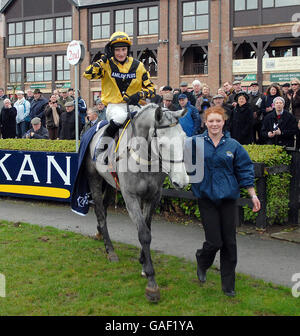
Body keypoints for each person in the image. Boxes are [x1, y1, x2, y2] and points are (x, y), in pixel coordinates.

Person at [190, 105, 261, 297]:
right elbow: (179, 162)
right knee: (214, 242)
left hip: (228, 199)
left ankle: (228, 285)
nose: (214, 124)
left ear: (224, 122)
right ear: (205, 122)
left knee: (229, 243)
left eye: (218, 121)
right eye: (211, 121)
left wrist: (253, 195)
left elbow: (245, 171)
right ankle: (202, 260)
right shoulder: (194, 143)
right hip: (206, 199)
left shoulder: (234, 146)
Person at [83, 31, 155, 155]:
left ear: (128, 50)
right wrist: (104, 58)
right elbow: (88, 74)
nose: (121, 53)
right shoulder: (106, 64)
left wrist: (140, 95)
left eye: (123, 49)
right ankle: (102, 145)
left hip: (134, 106)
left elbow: (152, 90)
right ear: (112, 50)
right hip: (115, 107)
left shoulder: (138, 66)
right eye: (117, 50)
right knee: (122, 117)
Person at [288, 78, 300, 149]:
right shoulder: (290, 93)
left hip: (298, 117)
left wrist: (291, 99)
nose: (294, 86)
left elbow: (296, 103)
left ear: (298, 85)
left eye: (295, 84)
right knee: (292, 133)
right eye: (292, 84)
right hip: (291, 116)